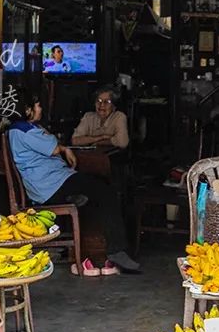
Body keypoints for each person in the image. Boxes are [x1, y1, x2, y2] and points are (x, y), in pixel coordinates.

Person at [8, 89, 139, 276]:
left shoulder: (20, 129)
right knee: (105, 192)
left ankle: (97, 245)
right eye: (37, 105)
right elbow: (53, 147)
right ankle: (116, 251)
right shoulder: (25, 130)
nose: (41, 108)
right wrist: (63, 148)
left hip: (53, 181)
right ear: (27, 109)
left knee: (100, 187)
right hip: (52, 185)